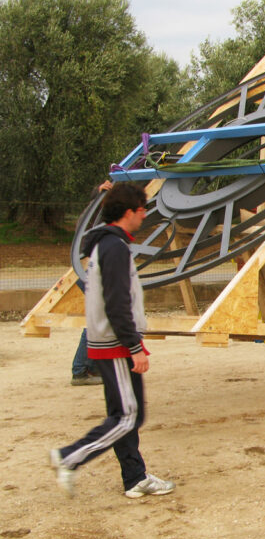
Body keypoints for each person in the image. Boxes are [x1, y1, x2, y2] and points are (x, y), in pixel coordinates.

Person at [50, 182, 175, 499]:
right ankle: (69, 458)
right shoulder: (115, 248)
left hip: (110, 342)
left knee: (127, 415)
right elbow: (117, 304)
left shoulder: (105, 245)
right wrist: (134, 347)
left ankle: (135, 478)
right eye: (142, 210)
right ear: (129, 212)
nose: (144, 216)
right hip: (115, 345)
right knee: (128, 417)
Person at [70, 180, 114, 386]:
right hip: (89, 272)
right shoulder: (92, 218)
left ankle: (92, 367)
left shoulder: (95, 217)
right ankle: (80, 370)